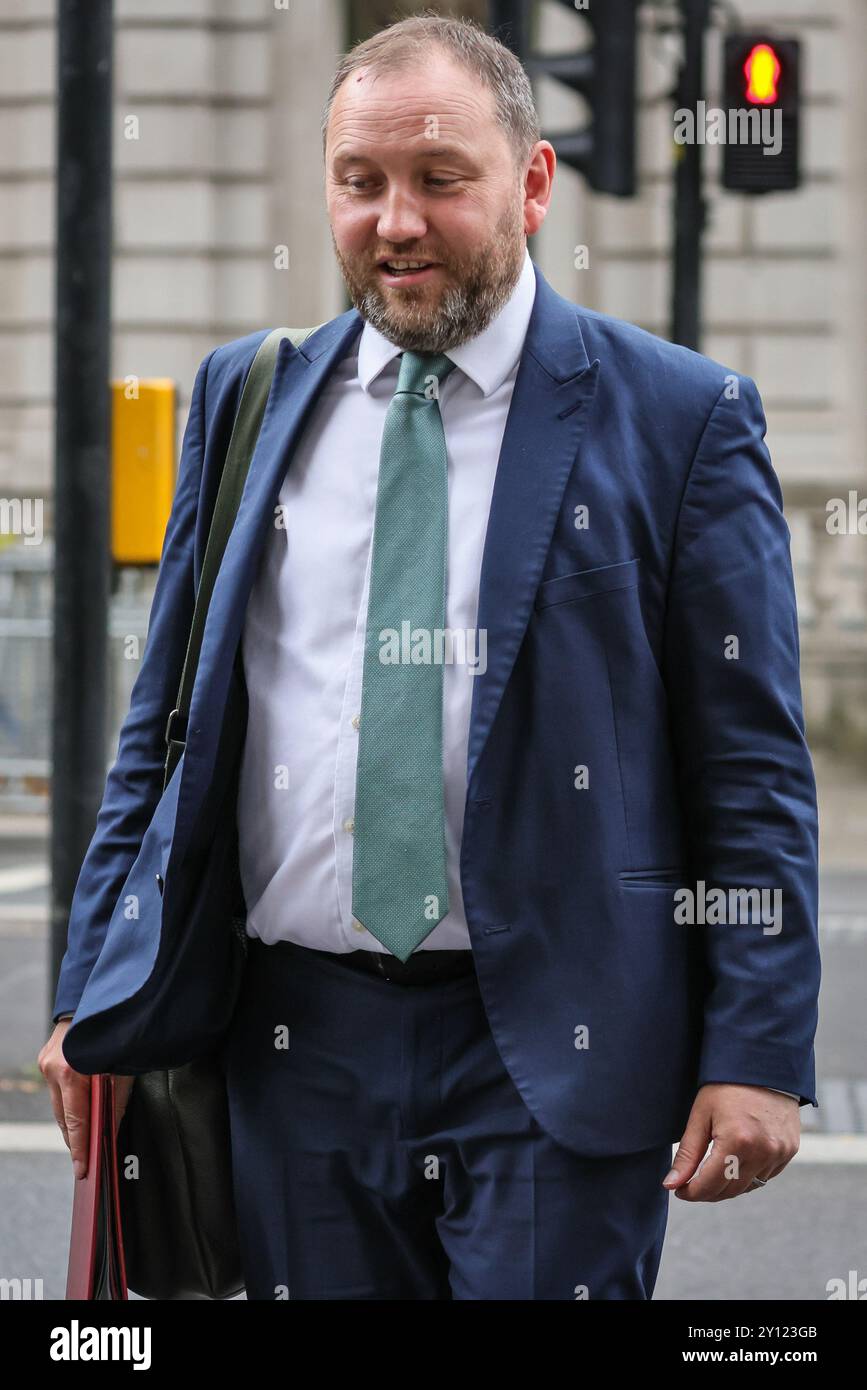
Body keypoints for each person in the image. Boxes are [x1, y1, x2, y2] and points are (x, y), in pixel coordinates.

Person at [39, 13, 820, 1300]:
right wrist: (93, 985)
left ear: (530, 183)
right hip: (295, 1040)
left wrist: (758, 1047)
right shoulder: (247, 396)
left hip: (553, 1044)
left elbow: (750, 765)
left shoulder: (681, 417)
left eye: (438, 180)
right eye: (360, 184)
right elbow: (166, 723)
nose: (395, 221)